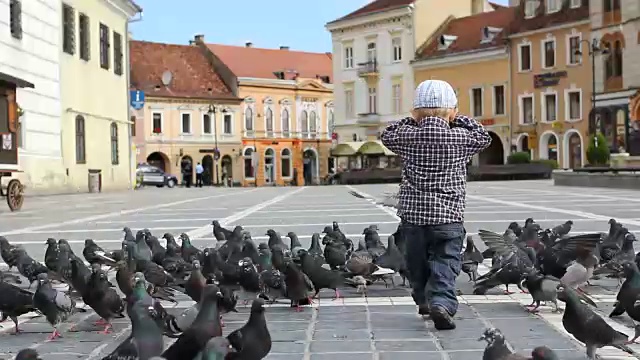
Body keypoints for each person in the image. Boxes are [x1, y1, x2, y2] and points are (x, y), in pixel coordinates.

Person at [381, 80, 491, 330]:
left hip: (414, 218)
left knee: (416, 263)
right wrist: (458, 118)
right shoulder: (460, 138)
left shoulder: (407, 137)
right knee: (446, 261)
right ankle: (441, 302)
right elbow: (483, 136)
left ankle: (423, 300)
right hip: (448, 217)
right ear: (452, 111)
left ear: (415, 112)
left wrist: (413, 121)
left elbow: (387, 134)